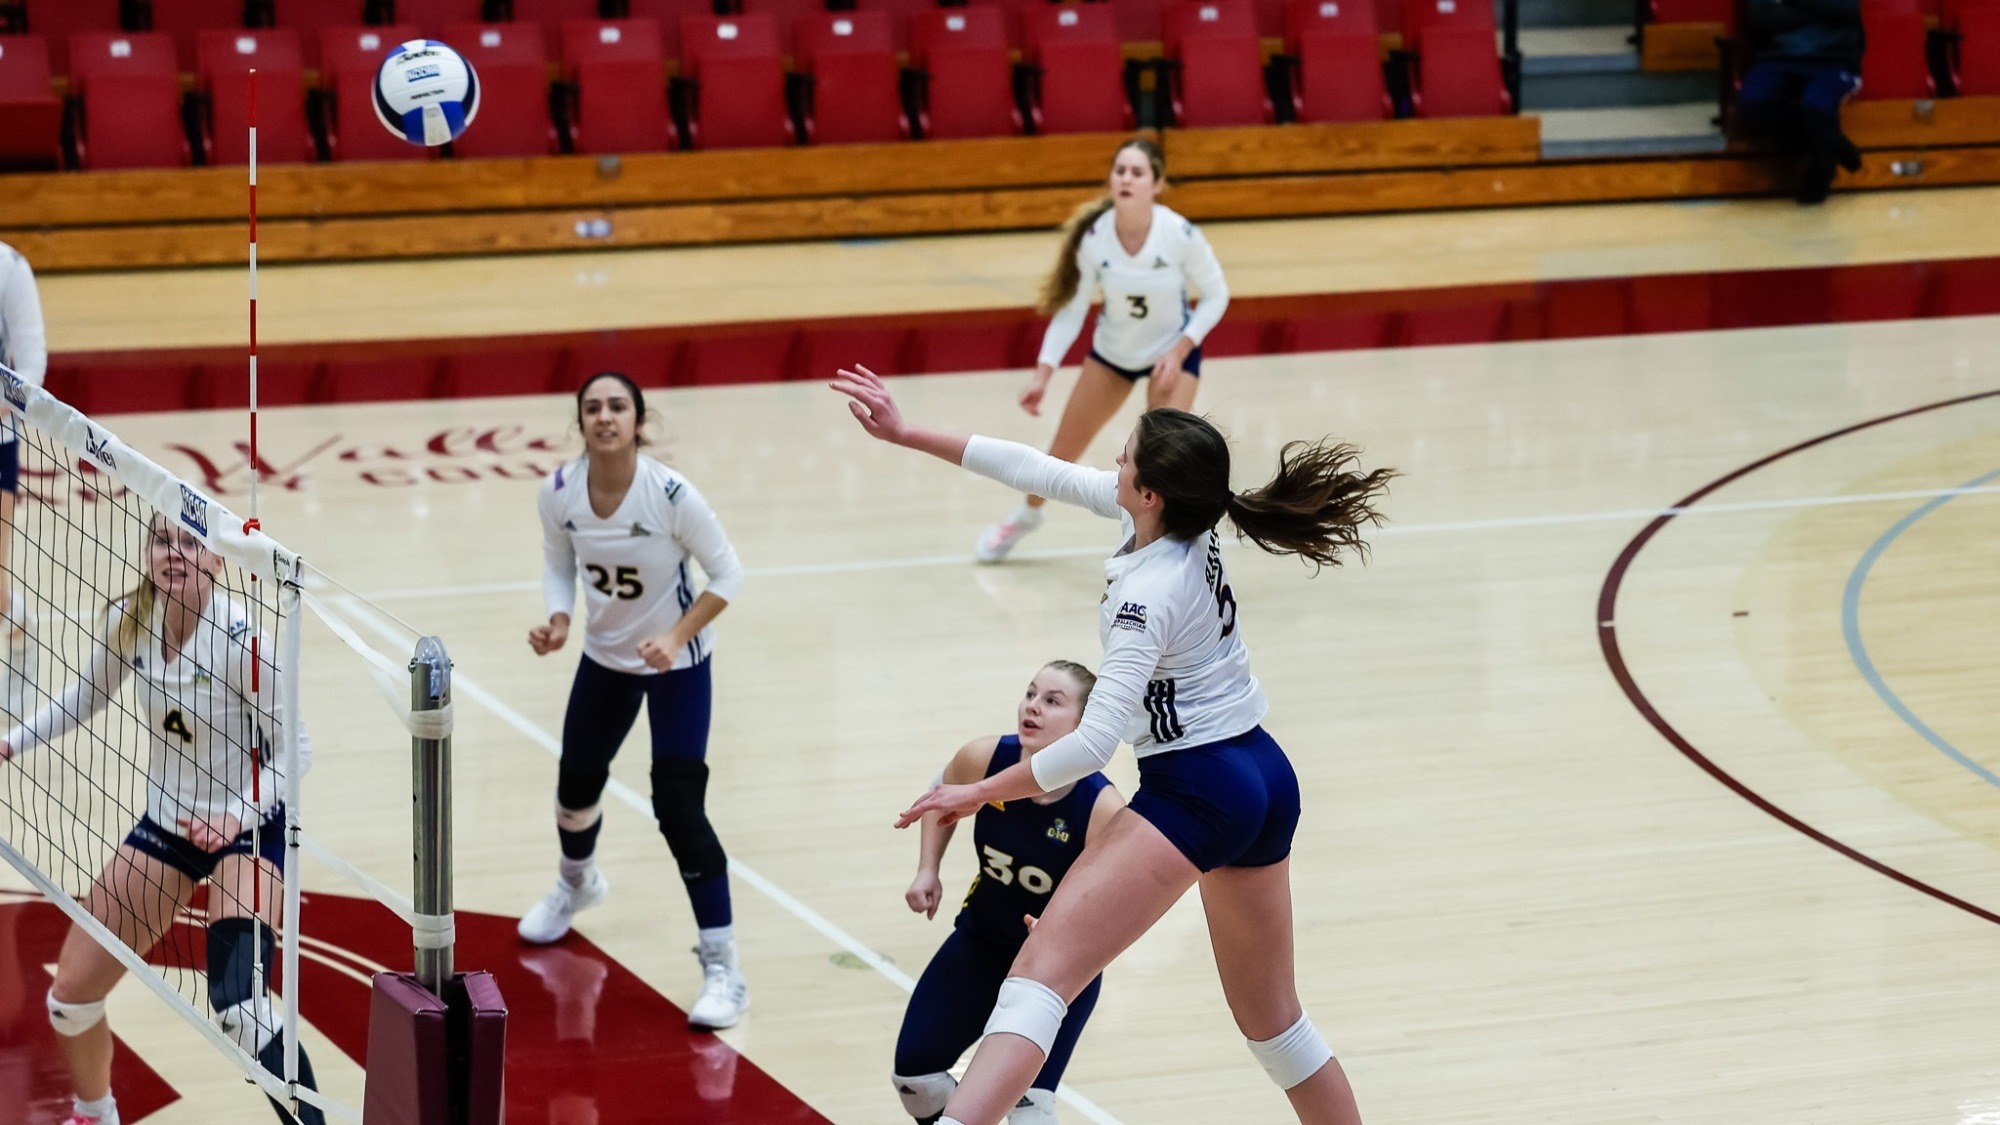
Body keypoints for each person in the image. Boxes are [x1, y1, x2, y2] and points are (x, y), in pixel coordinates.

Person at [833, 363, 1393, 1125]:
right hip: (1262, 769)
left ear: (1150, 491)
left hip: (1198, 787)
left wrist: (979, 790)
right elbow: (1037, 467)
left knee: (1039, 973)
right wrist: (906, 432)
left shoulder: (1145, 592)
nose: (1113, 466)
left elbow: (1093, 743)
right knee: (1275, 1024)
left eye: (1124, 458)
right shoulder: (1169, 519)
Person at [1, 513, 325, 1125]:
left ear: (217, 560)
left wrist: (236, 816)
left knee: (242, 1010)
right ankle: (96, 1113)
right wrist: (13, 742)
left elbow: (295, 751)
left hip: (248, 829)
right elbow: (86, 696)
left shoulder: (242, 641)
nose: (173, 554)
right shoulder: (136, 621)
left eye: (190, 544)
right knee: (70, 999)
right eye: (161, 541)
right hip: (169, 825)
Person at [520, 370, 750, 1031]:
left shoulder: (671, 494)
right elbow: (557, 560)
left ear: (638, 420)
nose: (605, 416)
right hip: (605, 659)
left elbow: (729, 573)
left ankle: (723, 967)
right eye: (592, 407)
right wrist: (559, 619)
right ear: (581, 423)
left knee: (678, 807)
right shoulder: (559, 491)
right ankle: (577, 883)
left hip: (678, 665)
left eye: (617, 406)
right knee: (573, 790)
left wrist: (675, 636)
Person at [975, 138, 1230, 564]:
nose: (1126, 179)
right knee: (1059, 455)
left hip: (1172, 356)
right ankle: (1024, 518)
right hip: (1113, 355)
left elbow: (1218, 294)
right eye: (1120, 171)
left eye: (1137, 172)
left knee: (1163, 466)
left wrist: (1182, 346)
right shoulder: (1095, 238)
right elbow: (1071, 312)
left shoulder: (1179, 234)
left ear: (1158, 183)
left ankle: (1167, 553)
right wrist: (1043, 373)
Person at [895, 661, 1124, 1125]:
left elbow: (1121, 904)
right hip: (982, 941)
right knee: (916, 1083)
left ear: (1084, 725)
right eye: (1031, 694)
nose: (1032, 707)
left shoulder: (1102, 807)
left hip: (1054, 973)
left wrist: (1072, 933)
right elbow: (941, 798)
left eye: (1052, 701)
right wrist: (927, 870)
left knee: (1030, 1113)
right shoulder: (985, 758)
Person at [1735, 0, 1864, 204]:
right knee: (1752, 103)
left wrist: (1788, 6)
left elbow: (1844, 8)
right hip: (1777, 57)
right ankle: (1835, 143)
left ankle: (1822, 171)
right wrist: (1819, 12)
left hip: (1835, 57)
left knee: (1816, 105)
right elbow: (1763, 17)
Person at [0, 242, 47, 719]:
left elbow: (31, 367)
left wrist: (3, 404)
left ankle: (18, 631)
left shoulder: (9, 269)